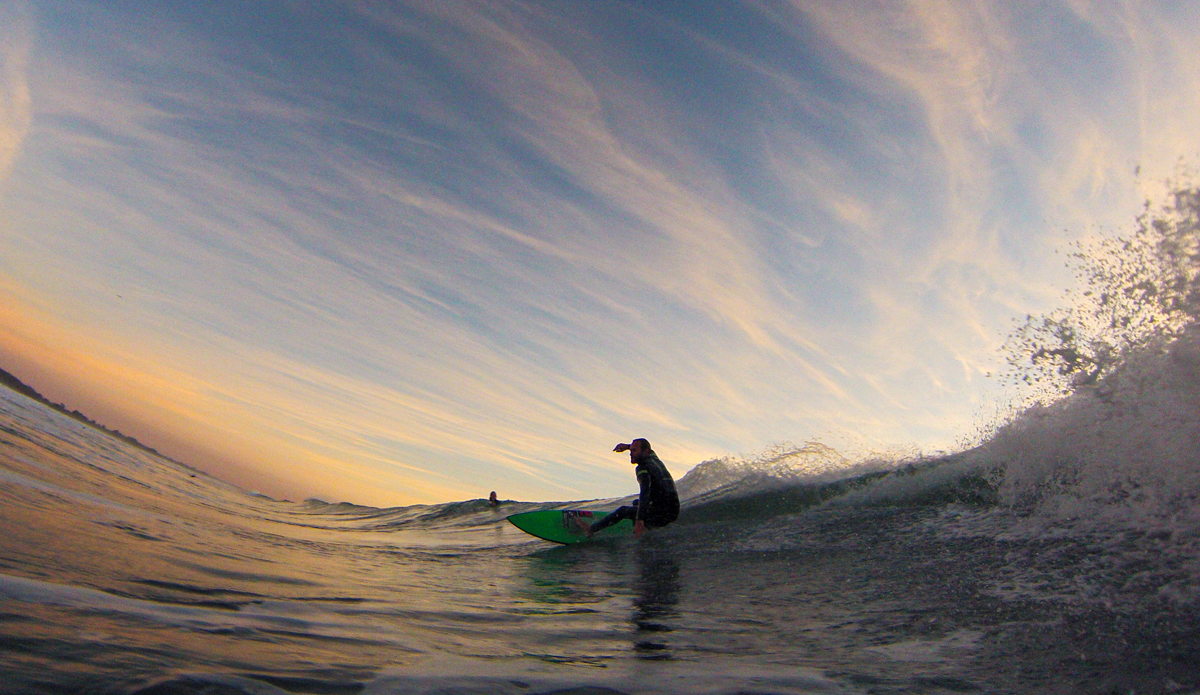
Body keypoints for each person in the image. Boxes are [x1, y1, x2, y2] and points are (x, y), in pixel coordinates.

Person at [583, 438, 679, 538]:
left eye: (634, 450)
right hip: (673, 511)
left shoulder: (643, 468)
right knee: (636, 503)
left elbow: (645, 492)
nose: (630, 453)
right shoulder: (654, 459)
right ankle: (646, 525)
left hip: (662, 515)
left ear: (644, 451)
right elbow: (647, 450)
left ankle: (591, 529)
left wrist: (639, 519)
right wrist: (627, 447)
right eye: (631, 450)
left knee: (623, 511)